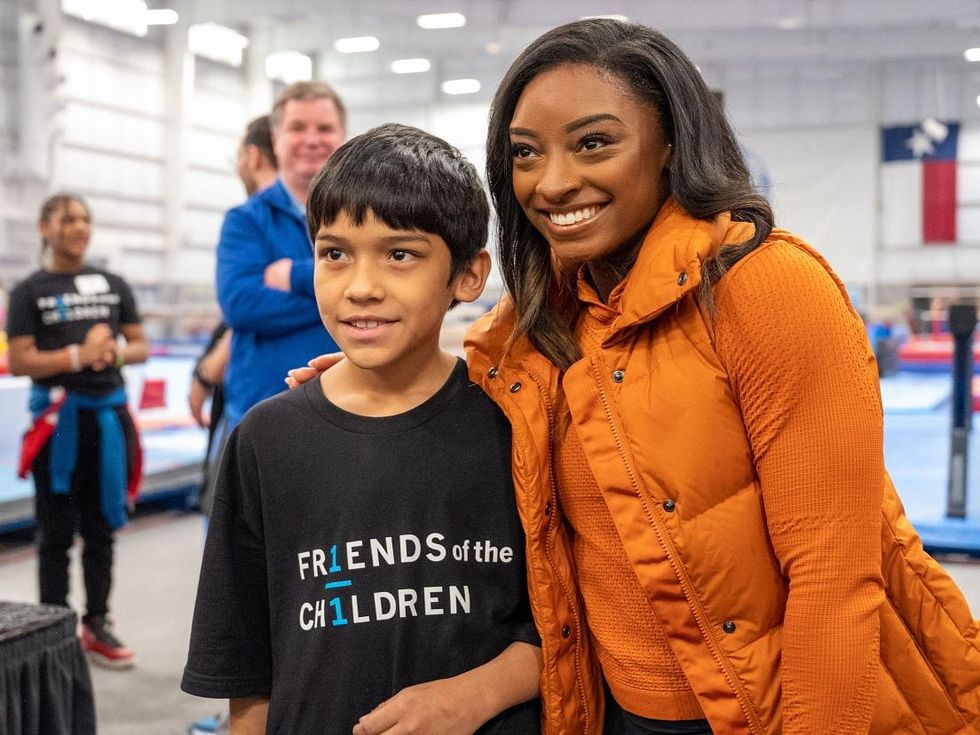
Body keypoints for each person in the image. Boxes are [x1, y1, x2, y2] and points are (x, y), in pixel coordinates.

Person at [295, 19, 980, 735]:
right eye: (526, 152)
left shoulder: (771, 287)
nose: (554, 182)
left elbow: (832, 578)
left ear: (671, 145)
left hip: (781, 711)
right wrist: (388, 379)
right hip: (612, 711)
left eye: (594, 143)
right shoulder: (537, 321)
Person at [182, 124, 542, 734]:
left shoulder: (515, 425)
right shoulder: (265, 441)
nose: (362, 287)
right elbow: (242, 670)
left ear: (468, 275)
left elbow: (571, 623)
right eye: (334, 254)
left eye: (400, 254)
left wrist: (475, 696)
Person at [6, 193, 149, 669]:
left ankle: (98, 623)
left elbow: (141, 345)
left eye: (86, 218)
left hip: (108, 422)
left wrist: (112, 354)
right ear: (45, 227)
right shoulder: (29, 291)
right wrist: (76, 356)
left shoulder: (113, 284)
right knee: (55, 533)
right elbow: (20, 359)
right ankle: (54, 631)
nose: (80, 227)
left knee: (102, 529)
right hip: (58, 425)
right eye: (68, 218)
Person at [216, 82, 343, 430]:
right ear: (276, 140)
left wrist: (295, 276)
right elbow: (241, 305)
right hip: (261, 409)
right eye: (298, 127)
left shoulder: (366, 218)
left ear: (342, 137)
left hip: (347, 404)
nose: (312, 139)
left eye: (324, 128)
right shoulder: (245, 220)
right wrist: (339, 296)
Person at [189, 115, 278, 512]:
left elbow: (241, 309)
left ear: (252, 156)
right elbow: (241, 307)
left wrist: (207, 372)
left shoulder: (250, 219)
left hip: (257, 398)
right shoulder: (253, 220)